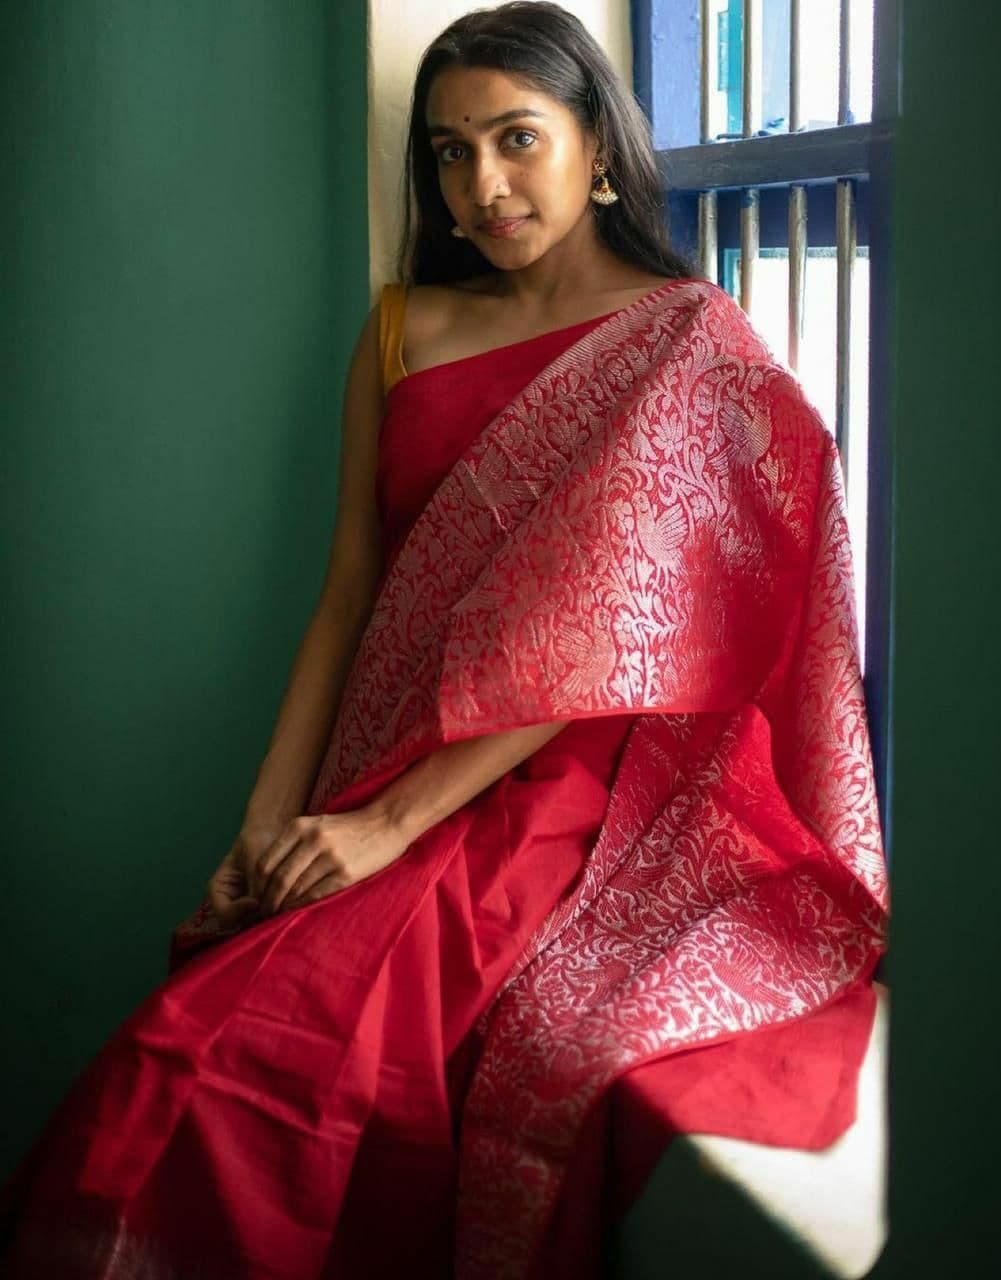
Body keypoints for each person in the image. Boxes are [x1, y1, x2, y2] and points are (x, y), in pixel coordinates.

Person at [0, 3, 890, 1277]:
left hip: (560, 797)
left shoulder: (689, 347)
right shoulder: (402, 325)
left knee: (254, 1059)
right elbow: (347, 593)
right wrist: (263, 820)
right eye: (448, 150)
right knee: (182, 1062)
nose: (481, 183)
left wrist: (386, 829)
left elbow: (612, 630)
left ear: (598, 148)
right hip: (387, 753)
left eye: (516, 139)